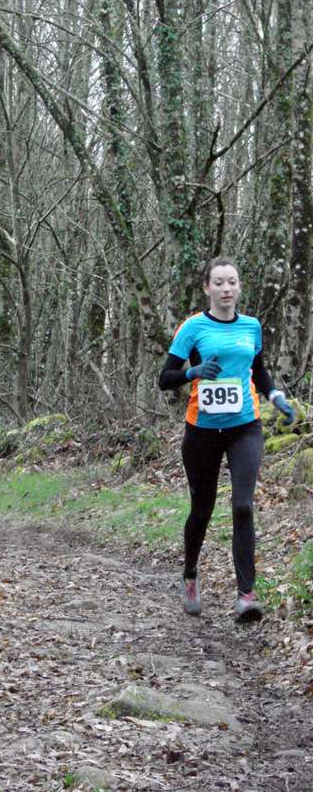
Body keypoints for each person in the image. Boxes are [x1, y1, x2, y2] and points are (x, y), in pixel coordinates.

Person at [159, 257, 295, 623]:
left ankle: (246, 596)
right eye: (218, 282)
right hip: (201, 431)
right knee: (202, 509)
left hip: (244, 427)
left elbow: (259, 371)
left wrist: (275, 397)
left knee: (243, 506)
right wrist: (193, 372)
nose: (226, 289)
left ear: (239, 286)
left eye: (232, 282)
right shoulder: (193, 328)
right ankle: (190, 574)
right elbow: (165, 378)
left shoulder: (251, 326)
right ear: (207, 287)